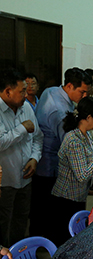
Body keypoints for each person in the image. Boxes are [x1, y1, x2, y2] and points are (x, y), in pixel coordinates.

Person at [31, 67, 91, 238]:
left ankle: (40, 239)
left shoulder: (51, 91)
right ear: (70, 86)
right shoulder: (60, 111)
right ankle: (45, 244)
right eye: (82, 92)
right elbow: (70, 144)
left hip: (42, 159)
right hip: (49, 166)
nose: (84, 96)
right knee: (49, 208)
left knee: (40, 206)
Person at [50, 97, 93, 246]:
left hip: (78, 196)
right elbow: (82, 175)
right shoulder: (73, 140)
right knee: (64, 241)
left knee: (74, 238)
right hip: (66, 198)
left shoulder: (86, 135)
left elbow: (88, 163)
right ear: (88, 117)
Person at [0, 69, 43, 247]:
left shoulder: (26, 107)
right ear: (8, 91)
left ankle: (17, 254)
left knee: (21, 219)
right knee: (2, 222)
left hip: (25, 178)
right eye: (22, 91)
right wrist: (22, 128)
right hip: (5, 182)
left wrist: (34, 158)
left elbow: (38, 137)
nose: (26, 95)